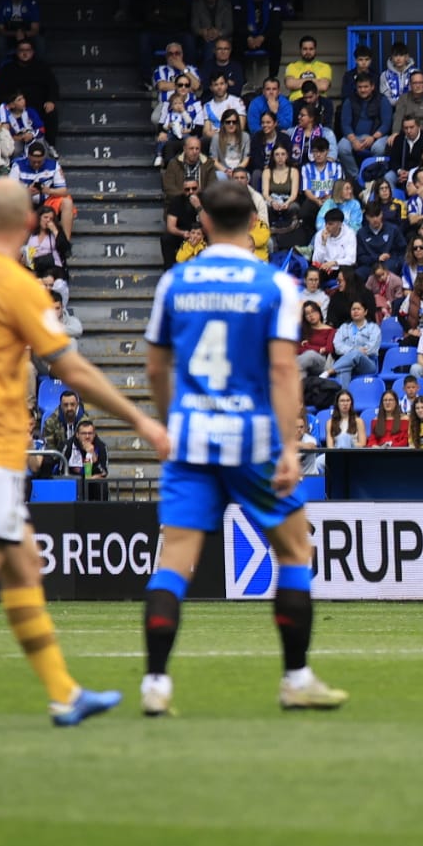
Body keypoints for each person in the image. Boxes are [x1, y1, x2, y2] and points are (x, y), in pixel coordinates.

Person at [0, 181, 170, 735]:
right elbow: (70, 368)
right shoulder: (15, 283)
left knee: (23, 562)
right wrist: (139, 418)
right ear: (28, 224)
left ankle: (64, 694)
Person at [141, 180, 348, 718]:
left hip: (191, 437)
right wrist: (288, 447)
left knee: (174, 560)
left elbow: (156, 367)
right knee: (294, 551)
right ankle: (295, 678)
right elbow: (282, 370)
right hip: (252, 439)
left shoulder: (175, 282)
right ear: (256, 224)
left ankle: (156, 684)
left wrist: (168, 423)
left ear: (204, 223)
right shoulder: (273, 284)